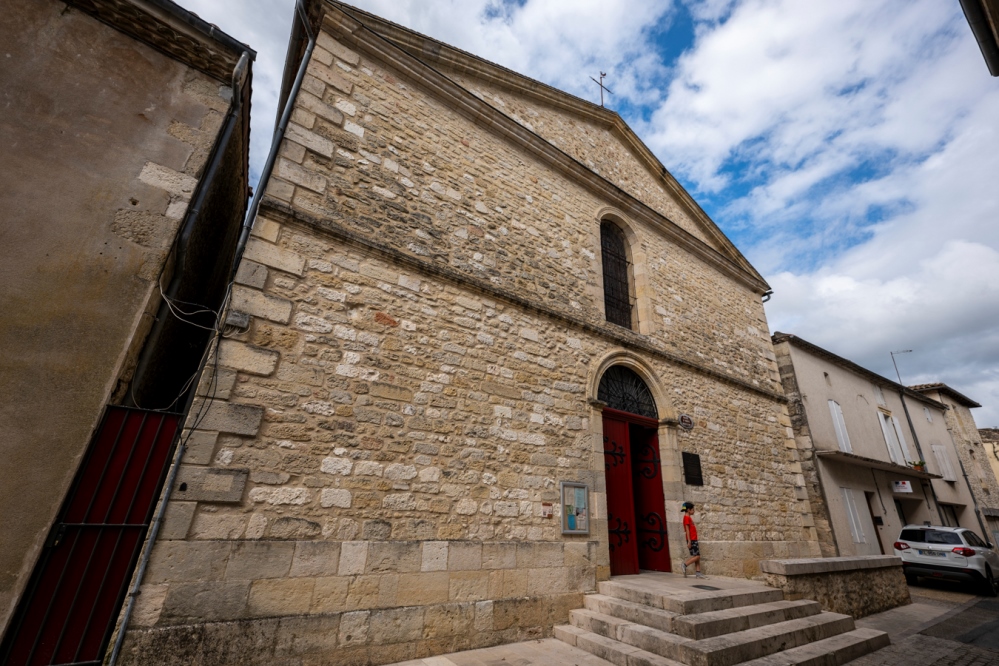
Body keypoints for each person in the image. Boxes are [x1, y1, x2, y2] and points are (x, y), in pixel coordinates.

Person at [681, 501, 706, 578]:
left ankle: (698, 572)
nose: (694, 511)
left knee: (697, 555)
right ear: (688, 510)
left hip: (694, 539)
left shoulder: (688, 518)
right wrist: (689, 541)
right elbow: (687, 530)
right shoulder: (686, 518)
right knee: (697, 556)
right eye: (692, 509)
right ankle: (685, 565)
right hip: (692, 539)